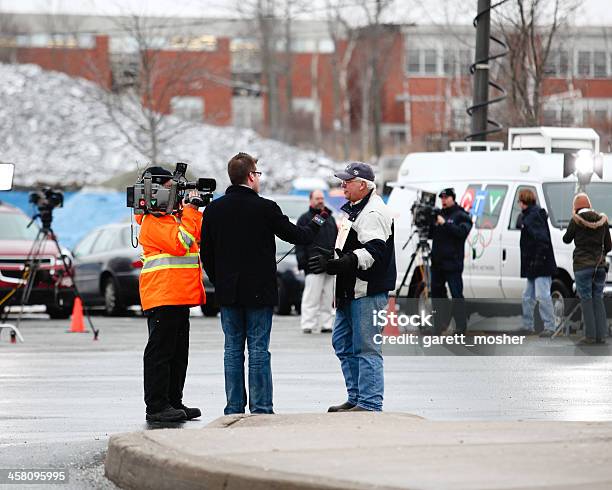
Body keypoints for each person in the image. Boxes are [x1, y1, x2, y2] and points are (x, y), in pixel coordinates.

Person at [201, 152, 326, 415]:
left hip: (228, 292)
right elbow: (299, 236)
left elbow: (207, 254)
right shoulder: (266, 208)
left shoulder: (213, 209)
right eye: (257, 173)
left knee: (232, 350)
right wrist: (318, 220)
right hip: (259, 291)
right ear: (250, 176)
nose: (258, 178)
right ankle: (261, 408)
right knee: (258, 350)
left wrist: (219, 281)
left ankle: (234, 408)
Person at [309, 162, 396, 413]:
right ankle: (357, 397)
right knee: (343, 343)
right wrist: (333, 256)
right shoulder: (356, 209)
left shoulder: (373, 213)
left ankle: (369, 403)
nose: (342, 184)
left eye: (347, 181)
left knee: (366, 347)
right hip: (350, 290)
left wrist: (343, 262)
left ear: (363, 185)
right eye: (342, 180)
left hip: (366, 291)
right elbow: (353, 247)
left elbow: (374, 252)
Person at [136, 166, 204, 422]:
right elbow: (181, 244)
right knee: (160, 352)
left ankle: (173, 401)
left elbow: (195, 237)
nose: (173, 194)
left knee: (177, 353)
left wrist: (190, 212)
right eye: (169, 188)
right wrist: (190, 211)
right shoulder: (152, 222)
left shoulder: (172, 219)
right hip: (163, 294)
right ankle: (156, 406)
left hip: (178, 295)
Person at [562, 192, 611, 345]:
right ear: (589, 205)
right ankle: (601, 335)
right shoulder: (602, 221)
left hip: (582, 267)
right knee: (598, 298)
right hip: (599, 267)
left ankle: (590, 336)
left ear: (575, 208)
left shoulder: (576, 221)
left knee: (586, 300)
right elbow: (609, 246)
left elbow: (566, 239)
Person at [430, 187, 472, 335]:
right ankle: (439, 325)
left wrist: (445, 223)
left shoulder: (461, 215)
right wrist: (431, 222)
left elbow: (462, 232)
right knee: (436, 294)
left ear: (453, 198)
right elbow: (430, 234)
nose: (443, 200)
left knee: (456, 294)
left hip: (453, 264)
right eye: (441, 198)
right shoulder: (438, 214)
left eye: (446, 198)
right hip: (437, 263)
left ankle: (461, 326)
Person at [296, 190, 337, 334]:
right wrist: (302, 262)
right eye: (317, 198)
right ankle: (308, 323)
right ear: (310, 200)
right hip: (312, 264)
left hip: (330, 264)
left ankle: (327, 324)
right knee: (311, 296)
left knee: (328, 297)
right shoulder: (305, 219)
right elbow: (299, 242)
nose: (320, 200)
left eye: (322, 198)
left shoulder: (329, 218)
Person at [518, 188, 557, 337]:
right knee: (528, 296)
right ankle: (529, 325)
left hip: (540, 264)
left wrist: (537, 260)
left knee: (541, 295)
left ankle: (549, 326)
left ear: (523, 202)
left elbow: (542, 240)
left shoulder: (532, 217)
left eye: (520, 201)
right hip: (536, 264)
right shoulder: (533, 215)